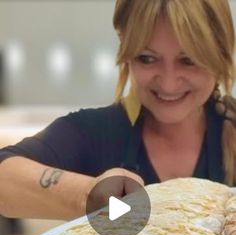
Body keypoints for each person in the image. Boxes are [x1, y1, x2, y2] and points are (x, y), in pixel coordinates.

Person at [0, 0, 235, 221]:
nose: (168, 83)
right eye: (147, 58)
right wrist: (88, 195)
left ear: (220, 54)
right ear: (125, 48)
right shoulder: (94, 132)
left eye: (189, 60)